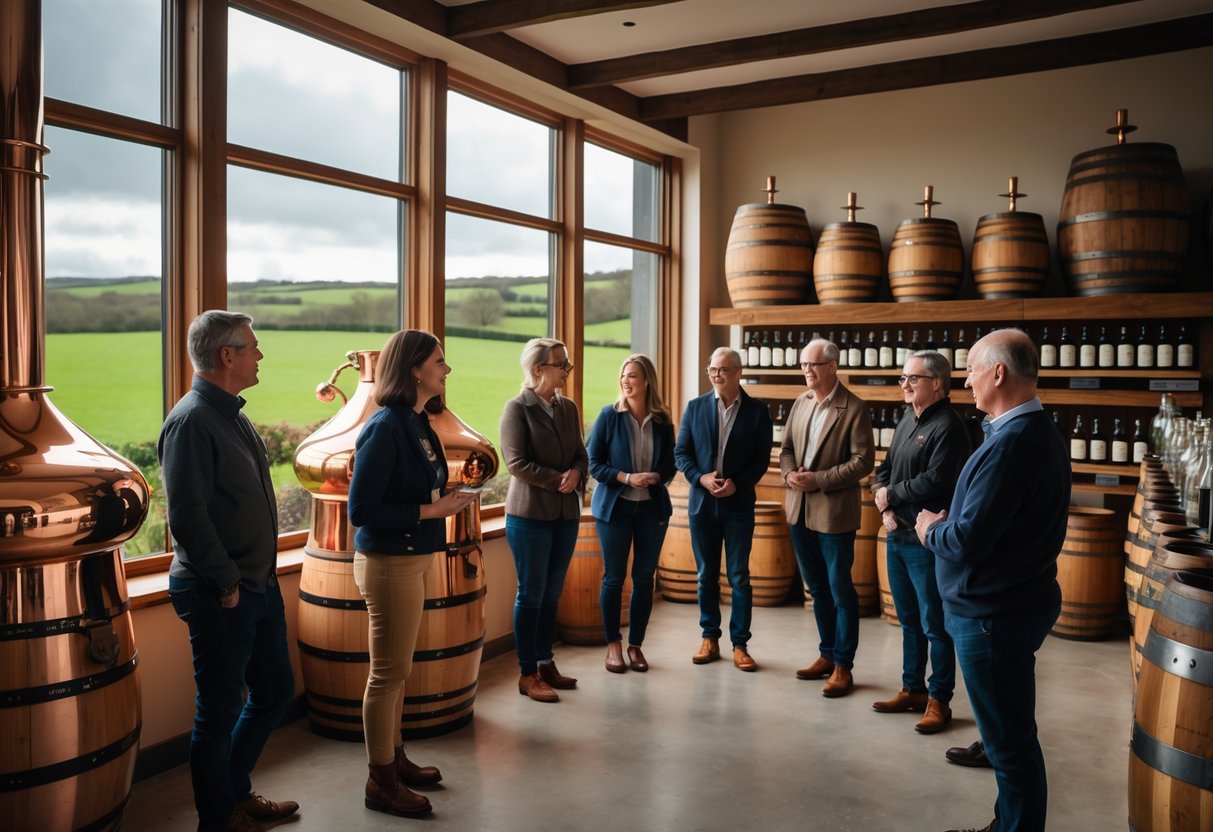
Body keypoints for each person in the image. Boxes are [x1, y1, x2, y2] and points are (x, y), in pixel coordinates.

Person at [916, 329, 1071, 832]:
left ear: (998, 373)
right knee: (1010, 734)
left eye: (971, 369)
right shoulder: (1031, 430)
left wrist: (930, 528)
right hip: (1010, 603)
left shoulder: (1011, 444)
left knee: (1009, 744)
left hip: (992, 615)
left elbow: (966, 542)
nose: (965, 379)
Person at [159, 311, 297, 832]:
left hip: (255, 584)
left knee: (275, 691)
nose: (260, 356)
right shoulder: (192, 420)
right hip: (221, 591)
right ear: (227, 355)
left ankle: (235, 793)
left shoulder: (232, 413)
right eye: (254, 348)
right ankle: (217, 819)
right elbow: (187, 517)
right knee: (217, 713)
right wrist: (228, 583)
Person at [347, 330, 478, 818]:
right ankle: (380, 781)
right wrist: (434, 510)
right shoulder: (385, 426)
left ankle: (394, 758)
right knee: (387, 674)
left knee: (397, 672)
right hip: (388, 564)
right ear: (415, 370)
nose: (447, 369)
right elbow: (362, 509)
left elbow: (421, 488)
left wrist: (446, 497)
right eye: (439, 361)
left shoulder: (418, 422)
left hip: (411, 559)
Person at [871, 350, 970, 733]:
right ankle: (912, 688)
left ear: (938, 383)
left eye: (913, 378)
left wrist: (891, 496)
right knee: (908, 621)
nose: (905, 384)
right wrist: (884, 506)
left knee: (935, 624)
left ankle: (938, 700)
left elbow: (937, 480)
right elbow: (883, 470)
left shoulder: (949, 427)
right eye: (903, 378)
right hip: (898, 534)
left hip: (927, 543)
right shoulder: (906, 420)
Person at [779, 338, 874, 697]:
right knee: (816, 588)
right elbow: (786, 449)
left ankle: (843, 666)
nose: (806, 370)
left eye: (813, 365)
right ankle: (826, 652)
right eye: (803, 364)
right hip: (798, 511)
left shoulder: (854, 408)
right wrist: (789, 476)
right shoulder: (800, 403)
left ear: (832, 367)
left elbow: (863, 462)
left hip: (834, 515)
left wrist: (817, 480)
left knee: (839, 590)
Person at [501, 338, 589, 703]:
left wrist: (577, 474)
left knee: (552, 593)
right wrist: (559, 479)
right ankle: (527, 673)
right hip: (529, 515)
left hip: (566, 515)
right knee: (531, 593)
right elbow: (515, 463)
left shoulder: (567, 408)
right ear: (538, 369)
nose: (567, 371)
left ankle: (545, 661)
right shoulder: (516, 408)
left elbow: (582, 455)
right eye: (561, 365)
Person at [674, 347, 772, 671]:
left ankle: (740, 644)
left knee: (740, 576)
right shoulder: (695, 407)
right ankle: (709, 638)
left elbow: (761, 460)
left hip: (739, 506)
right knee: (705, 576)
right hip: (702, 505)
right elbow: (681, 453)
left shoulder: (758, 411)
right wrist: (699, 478)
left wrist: (738, 484)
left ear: (738, 373)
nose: (716, 375)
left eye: (723, 370)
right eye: (712, 370)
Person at [587, 354, 677, 673]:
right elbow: (592, 463)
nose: (626, 381)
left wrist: (657, 476)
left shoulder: (663, 421)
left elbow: (671, 463)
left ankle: (636, 645)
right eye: (623, 376)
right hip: (616, 509)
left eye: (633, 376)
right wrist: (626, 477)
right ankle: (613, 643)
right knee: (613, 578)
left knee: (643, 578)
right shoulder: (608, 416)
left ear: (647, 381)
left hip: (652, 509)